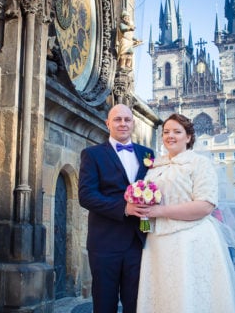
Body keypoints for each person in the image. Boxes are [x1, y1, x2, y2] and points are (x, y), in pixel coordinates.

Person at [135, 113, 235, 312]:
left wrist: (159, 210)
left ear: (188, 137)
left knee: (188, 297)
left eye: (177, 132)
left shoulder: (200, 163)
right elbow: (147, 209)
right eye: (166, 132)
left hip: (190, 240)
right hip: (156, 243)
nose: (170, 136)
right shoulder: (155, 166)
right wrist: (143, 222)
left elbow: (205, 205)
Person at [78, 104, 154, 313]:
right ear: (108, 123)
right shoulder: (92, 154)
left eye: (127, 119)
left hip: (139, 243)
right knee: (104, 304)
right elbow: (86, 196)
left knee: (136, 304)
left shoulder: (148, 154)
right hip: (105, 244)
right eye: (117, 119)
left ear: (133, 123)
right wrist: (124, 208)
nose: (122, 123)